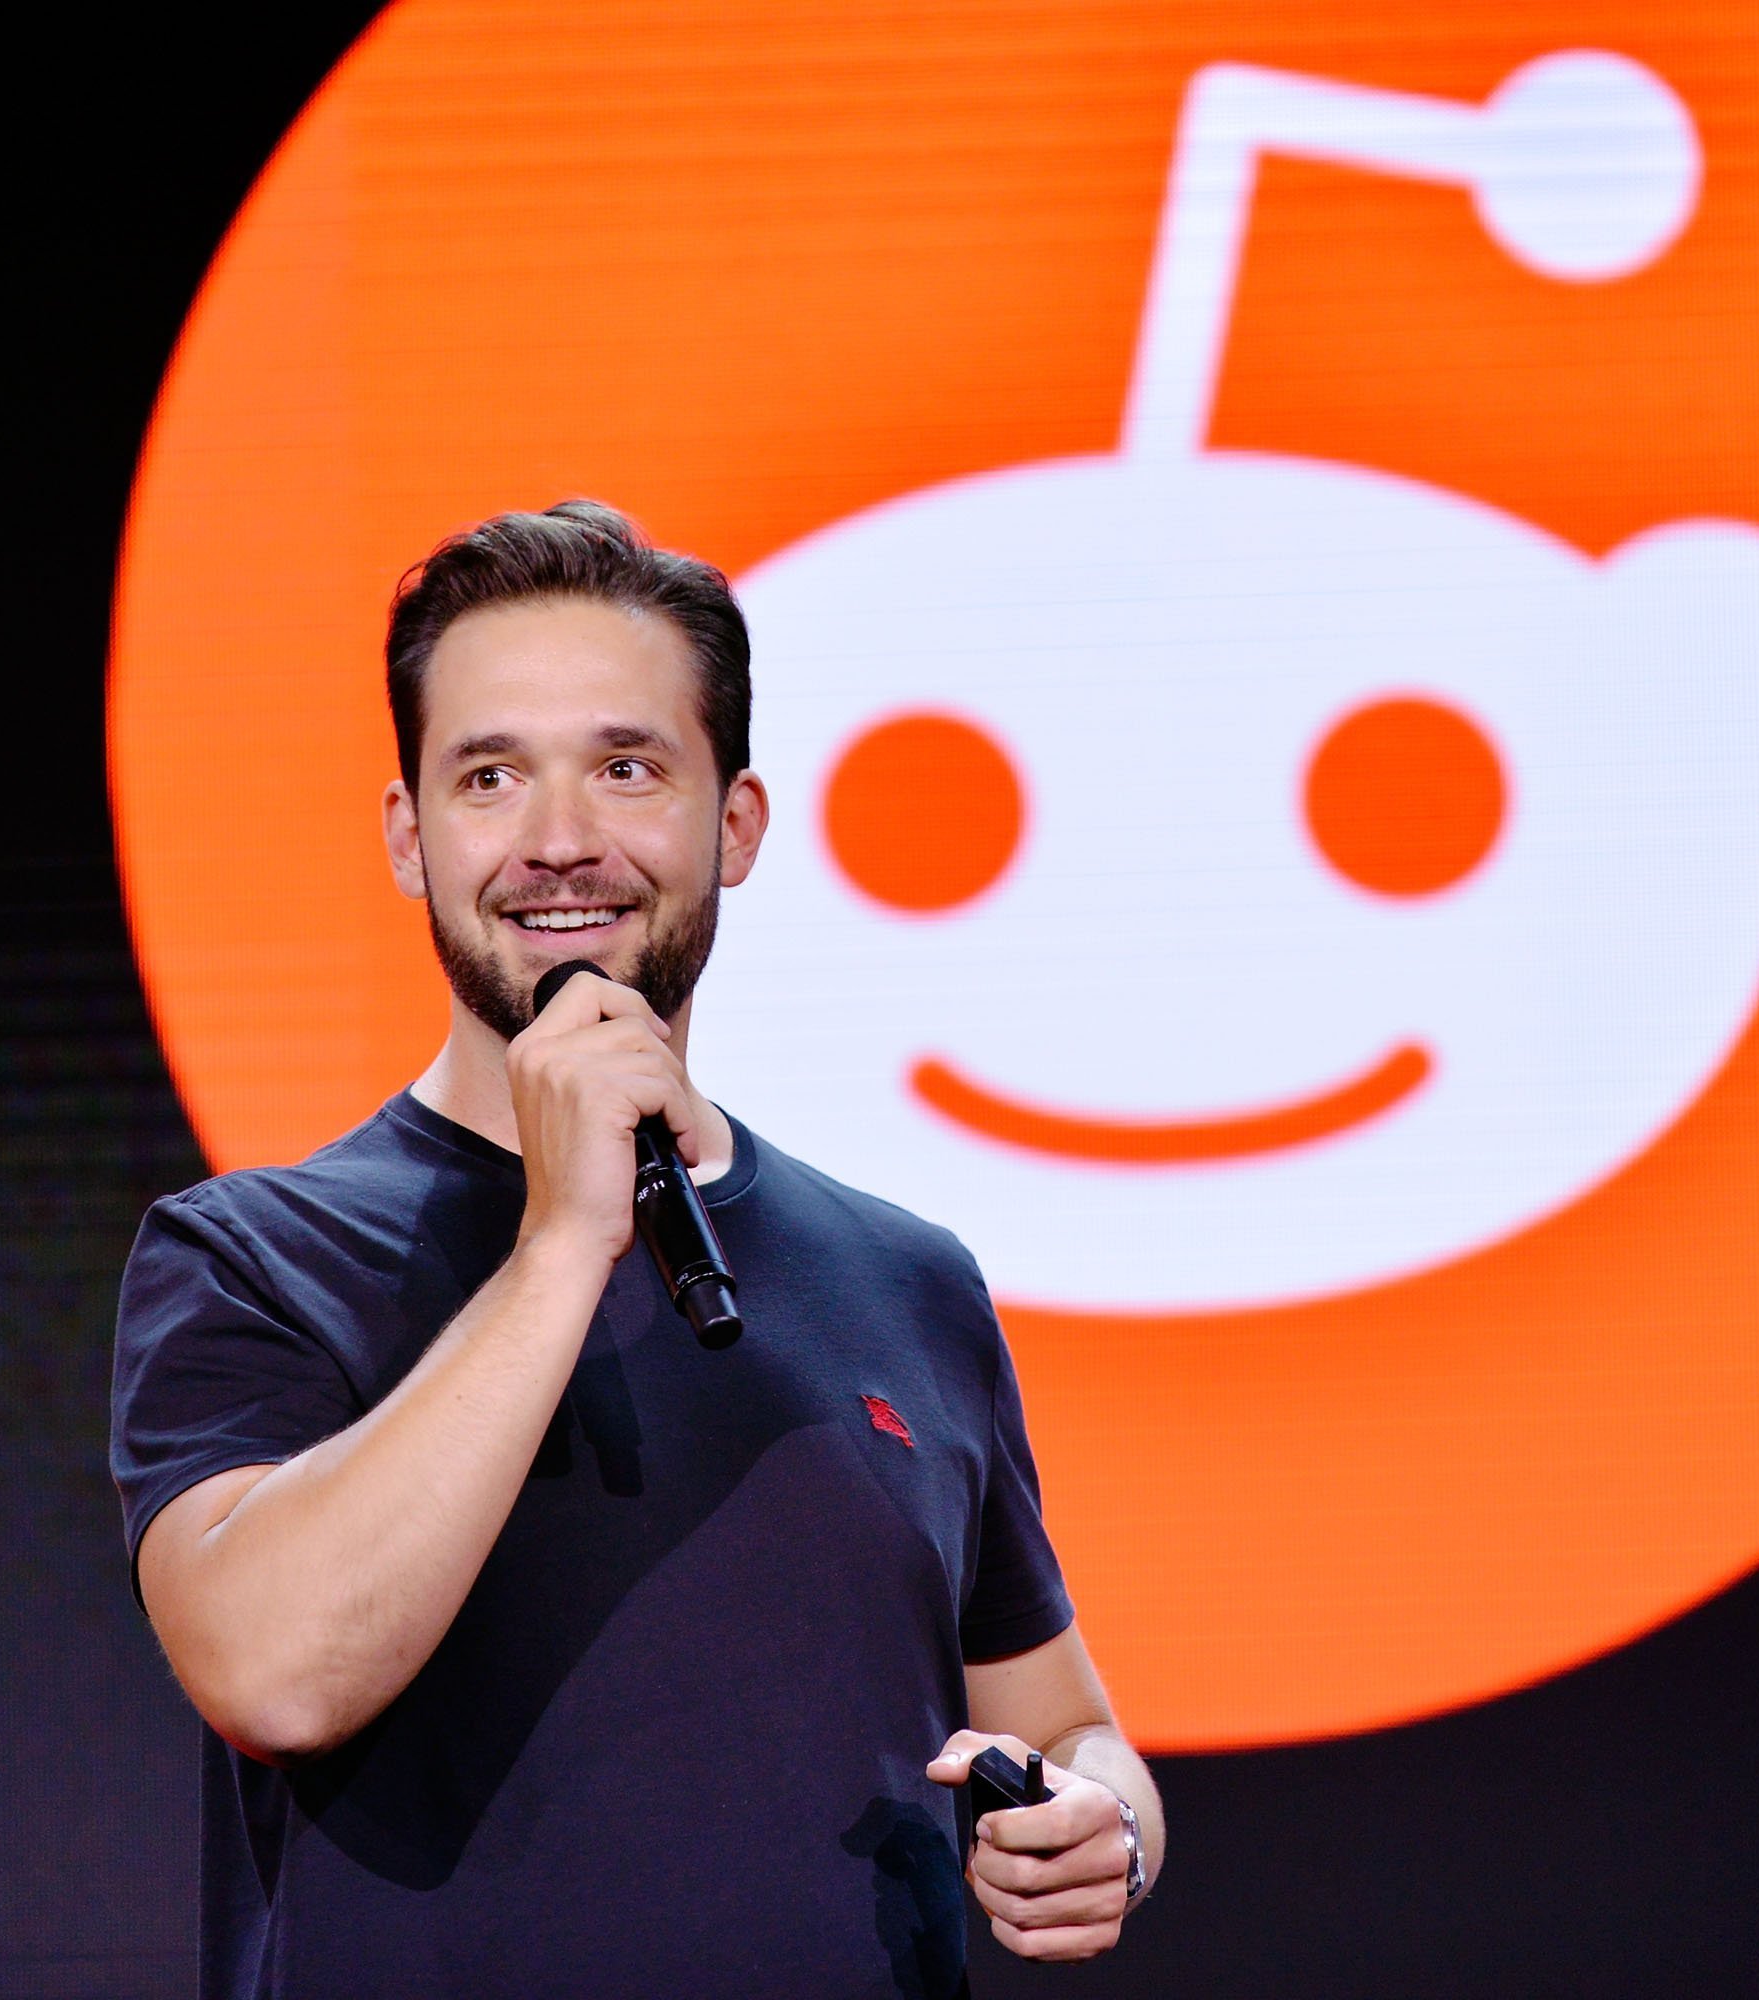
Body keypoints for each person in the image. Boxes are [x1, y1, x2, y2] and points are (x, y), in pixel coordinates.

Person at [111, 501, 1163, 1998]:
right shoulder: (252, 1259)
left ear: (733, 826)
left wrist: (1102, 1819)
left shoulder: (907, 1276)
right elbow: (273, 1674)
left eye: (625, 768)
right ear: (410, 839)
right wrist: (560, 1244)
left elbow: (1064, 1719)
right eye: (490, 777)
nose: (557, 843)